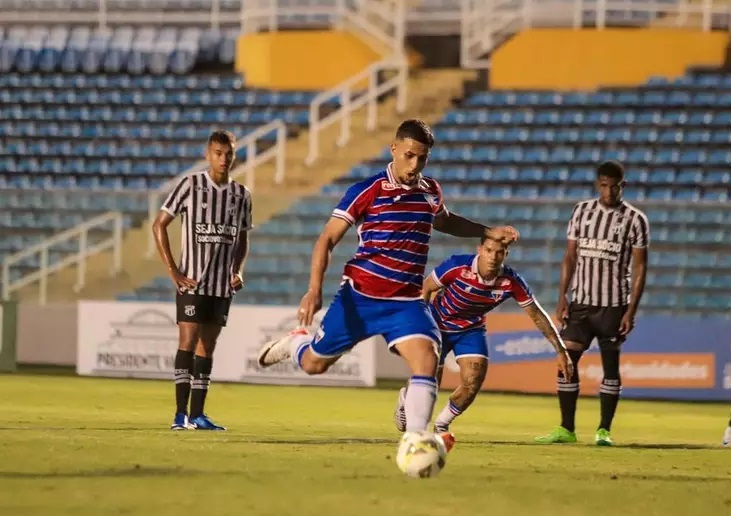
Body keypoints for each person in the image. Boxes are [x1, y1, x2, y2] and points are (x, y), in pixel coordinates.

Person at [256, 119, 518, 450]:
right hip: (360, 297)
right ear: (394, 149)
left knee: (428, 358)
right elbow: (327, 239)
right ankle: (296, 343)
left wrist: (486, 231)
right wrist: (314, 289)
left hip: (406, 302)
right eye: (409, 155)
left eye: (422, 158)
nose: (415, 165)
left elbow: (446, 220)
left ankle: (417, 440)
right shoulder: (367, 191)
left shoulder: (430, 191)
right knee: (314, 365)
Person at [393, 235, 573, 433]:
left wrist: (560, 350)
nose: (493, 257)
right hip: (438, 324)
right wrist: (420, 326)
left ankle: (442, 424)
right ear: (480, 250)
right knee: (431, 378)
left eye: (499, 252)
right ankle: (407, 398)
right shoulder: (457, 266)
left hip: (471, 329)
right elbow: (426, 288)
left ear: (506, 254)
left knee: (473, 380)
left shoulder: (511, 281)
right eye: (488, 250)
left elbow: (536, 314)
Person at [535, 160, 649, 446]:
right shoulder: (582, 211)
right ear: (598, 184)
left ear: (624, 185)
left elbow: (640, 268)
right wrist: (562, 298)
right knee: (566, 362)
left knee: (610, 367)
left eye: (615, 186)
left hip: (613, 306)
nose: (609, 192)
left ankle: (603, 430)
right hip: (581, 305)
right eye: (604, 185)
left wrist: (630, 311)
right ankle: (566, 428)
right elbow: (570, 256)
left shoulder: (635, 220)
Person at [152, 130, 252, 431]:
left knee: (207, 347)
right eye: (218, 153)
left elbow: (242, 238)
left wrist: (238, 270)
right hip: (192, 282)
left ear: (235, 156)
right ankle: (180, 415)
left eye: (229, 154)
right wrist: (174, 271)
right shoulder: (190, 185)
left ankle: (198, 414)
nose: (224, 159)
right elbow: (159, 225)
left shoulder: (241, 195)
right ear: (208, 154)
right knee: (188, 341)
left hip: (221, 287)